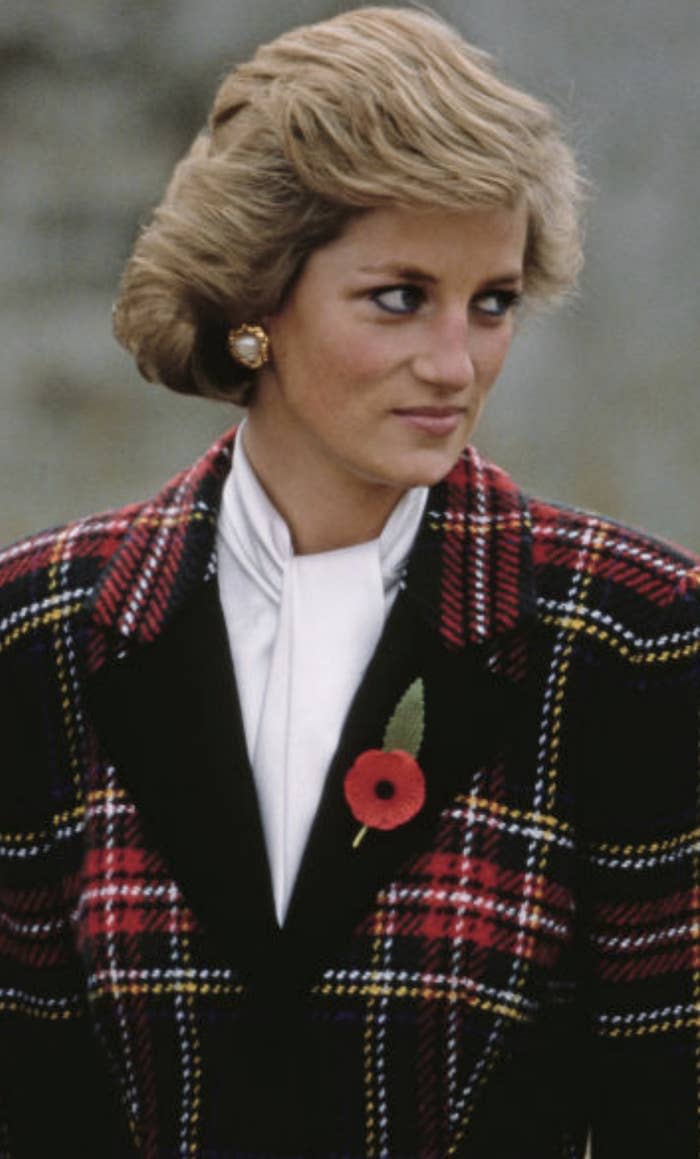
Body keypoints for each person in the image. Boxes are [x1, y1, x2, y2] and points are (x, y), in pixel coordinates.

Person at [0, 7, 698, 1157]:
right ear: (256, 302)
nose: (454, 364)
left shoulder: (631, 635)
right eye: (398, 296)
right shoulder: (41, 631)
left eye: (492, 302)